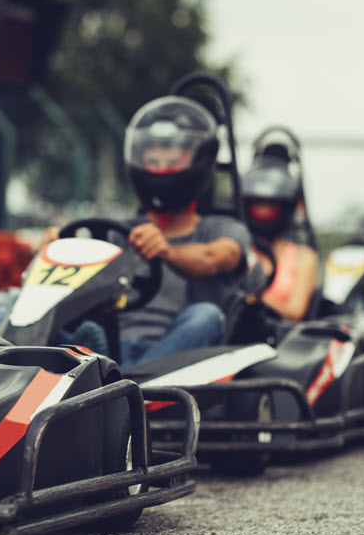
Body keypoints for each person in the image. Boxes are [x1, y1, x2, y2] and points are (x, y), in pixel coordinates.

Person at [22, 96, 251, 368]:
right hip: (110, 341)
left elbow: (214, 258)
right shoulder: (117, 233)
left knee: (207, 316)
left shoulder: (223, 229)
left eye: (172, 160)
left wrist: (166, 250)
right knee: (22, 305)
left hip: (174, 350)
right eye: (153, 159)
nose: (162, 166)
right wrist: (54, 251)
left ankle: (117, 379)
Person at [240, 140, 319, 321]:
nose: (263, 210)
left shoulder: (304, 257)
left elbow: (295, 312)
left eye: (270, 205)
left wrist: (254, 297)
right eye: (257, 204)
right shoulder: (236, 250)